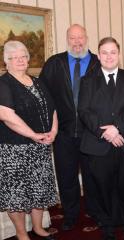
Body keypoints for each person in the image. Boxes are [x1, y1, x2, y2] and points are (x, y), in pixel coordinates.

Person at [78, 37, 124, 240]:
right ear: (98, 56)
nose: (109, 56)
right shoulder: (87, 80)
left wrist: (117, 128)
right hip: (98, 144)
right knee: (103, 188)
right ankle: (107, 226)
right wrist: (105, 132)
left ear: (119, 54)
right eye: (104, 52)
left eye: (113, 52)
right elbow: (84, 110)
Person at [39, 24, 100, 230]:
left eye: (80, 37)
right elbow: (44, 96)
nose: (77, 42)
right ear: (67, 39)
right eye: (73, 38)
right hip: (63, 133)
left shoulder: (98, 62)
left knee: (93, 176)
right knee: (67, 177)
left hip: (92, 133)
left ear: (87, 38)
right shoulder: (54, 63)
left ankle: (96, 211)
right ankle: (71, 215)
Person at [0, 40, 57, 240]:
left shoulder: (37, 81)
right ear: (6, 62)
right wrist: (34, 135)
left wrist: (53, 131)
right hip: (14, 150)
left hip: (40, 147)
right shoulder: (4, 83)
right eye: (14, 58)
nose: (20, 60)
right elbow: (6, 115)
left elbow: (53, 108)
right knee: (17, 196)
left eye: (23, 56)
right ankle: (22, 234)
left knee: (39, 190)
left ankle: (38, 228)